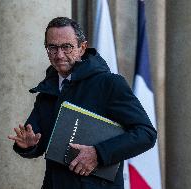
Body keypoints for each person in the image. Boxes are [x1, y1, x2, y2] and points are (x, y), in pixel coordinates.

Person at [8, 17, 157, 189]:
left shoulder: (109, 84)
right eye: (52, 47)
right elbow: (38, 142)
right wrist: (28, 146)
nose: (59, 54)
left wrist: (98, 154)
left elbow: (146, 134)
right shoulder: (47, 92)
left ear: (82, 48)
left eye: (66, 47)